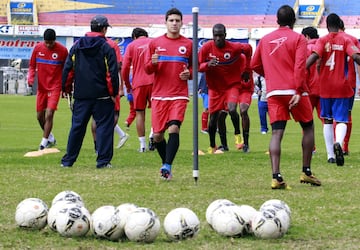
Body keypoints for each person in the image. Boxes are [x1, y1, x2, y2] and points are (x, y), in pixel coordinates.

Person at [251, 5, 321, 189]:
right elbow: (300, 66)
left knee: (276, 133)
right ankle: (306, 172)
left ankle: (276, 176)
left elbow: (254, 64)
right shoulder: (298, 38)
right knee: (308, 127)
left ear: (277, 20)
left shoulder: (265, 39)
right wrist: (298, 91)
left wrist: (271, 76)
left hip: (274, 91)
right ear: (293, 21)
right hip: (294, 90)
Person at [61, 15, 119, 168]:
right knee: (104, 128)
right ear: (104, 29)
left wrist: (66, 88)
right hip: (102, 95)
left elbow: (68, 70)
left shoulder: (77, 46)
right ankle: (103, 161)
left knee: (77, 128)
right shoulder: (107, 47)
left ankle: (68, 161)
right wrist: (113, 93)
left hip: (81, 95)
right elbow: (111, 73)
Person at [144, 8, 192, 180]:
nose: (174, 23)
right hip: (159, 95)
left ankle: (167, 165)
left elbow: (194, 68)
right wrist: (153, 63)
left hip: (179, 94)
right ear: (166, 22)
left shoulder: (188, 44)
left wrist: (189, 74)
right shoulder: (155, 43)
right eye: (171, 20)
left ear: (181, 23)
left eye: (177, 20)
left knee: (174, 128)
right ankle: (166, 165)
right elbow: (147, 68)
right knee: (157, 136)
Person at [306, 13, 360, 166]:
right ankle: (339, 143)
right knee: (342, 119)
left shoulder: (322, 41)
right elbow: (356, 57)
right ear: (340, 24)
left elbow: (314, 58)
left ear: (327, 25)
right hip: (342, 86)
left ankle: (330, 155)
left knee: (327, 120)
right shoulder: (346, 40)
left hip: (325, 86)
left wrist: (302, 69)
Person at [198, 23, 252, 154]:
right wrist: (207, 65)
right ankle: (212, 145)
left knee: (233, 108)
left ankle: (237, 135)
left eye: (220, 36)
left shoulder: (234, 47)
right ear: (212, 36)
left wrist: (246, 69)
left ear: (225, 35)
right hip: (215, 88)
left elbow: (249, 48)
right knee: (213, 119)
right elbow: (198, 66)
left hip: (231, 86)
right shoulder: (206, 48)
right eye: (215, 36)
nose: (218, 38)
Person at [27, 28, 69, 150]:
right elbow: (31, 66)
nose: (48, 45)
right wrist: (30, 79)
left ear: (54, 40)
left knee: (49, 114)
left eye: (50, 42)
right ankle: (50, 138)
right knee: (40, 117)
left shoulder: (62, 50)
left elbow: (67, 70)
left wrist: (66, 87)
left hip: (55, 87)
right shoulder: (38, 48)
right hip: (41, 88)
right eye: (46, 42)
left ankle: (43, 144)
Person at [90, 33, 129, 152]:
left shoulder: (86, 44)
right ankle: (102, 145)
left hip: (95, 86)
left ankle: (98, 146)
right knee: (111, 116)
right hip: (108, 86)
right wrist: (121, 87)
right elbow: (119, 67)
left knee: (97, 118)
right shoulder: (112, 45)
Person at [122, 27, 154, 152]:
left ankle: (142, 145)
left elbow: (125, 68)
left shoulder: (131, 46)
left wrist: (127, 85)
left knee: (140, 113)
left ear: (134, 37)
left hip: (138, 83)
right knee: (156, 110)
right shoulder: (154, 42)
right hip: (154, 82)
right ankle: (153, 134)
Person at [337, 20, 360, 155]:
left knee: (334, 116)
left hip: (331, 84)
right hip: (349, 82)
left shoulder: (327, 40)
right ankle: (345, 146)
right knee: (347, 114)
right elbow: (358, 62)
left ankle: (336, 142)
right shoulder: (352, 40)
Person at [301, 26, 321, 154]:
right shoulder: (323, 46)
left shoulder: (305, 48)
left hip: (309, 89)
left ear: (306, 37)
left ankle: (311, 147)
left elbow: (304, 70)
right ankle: (336, 143)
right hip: (324, 88)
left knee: (307, 121)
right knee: (327, 119)